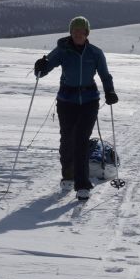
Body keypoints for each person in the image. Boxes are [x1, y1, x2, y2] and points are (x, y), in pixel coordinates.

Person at [33, 16, 117, 201]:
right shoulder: (63, 50)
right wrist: (40, 67)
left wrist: (109, 92)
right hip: (66, 101)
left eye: (82, 31)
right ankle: (68, 176)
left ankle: (82, 185)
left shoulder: (95, 53)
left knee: (80, 140)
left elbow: (104, 75)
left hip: (89, 101)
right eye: (75, 31)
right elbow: (46, 68)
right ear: (71, 33)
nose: (78, 34)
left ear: (87, 33)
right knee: (67, 140)